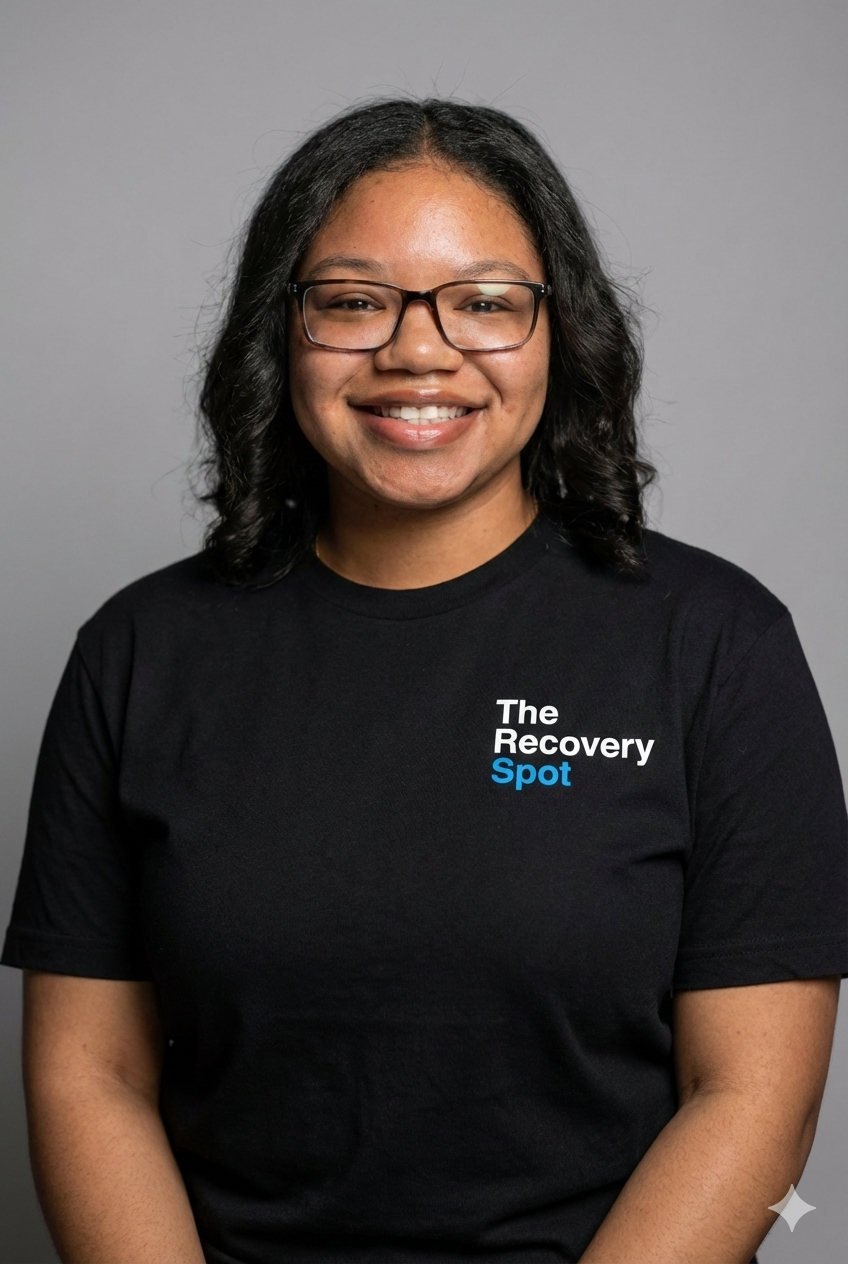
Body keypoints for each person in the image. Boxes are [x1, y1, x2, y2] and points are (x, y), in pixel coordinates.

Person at [2, 98, 846, 1264]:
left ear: (561, 333)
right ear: (278, 332)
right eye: (352, 301)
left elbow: (754, 1096)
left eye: (485, 303)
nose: (416, 349)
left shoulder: (716, 645)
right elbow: (88, 1074)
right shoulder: (139, 651)